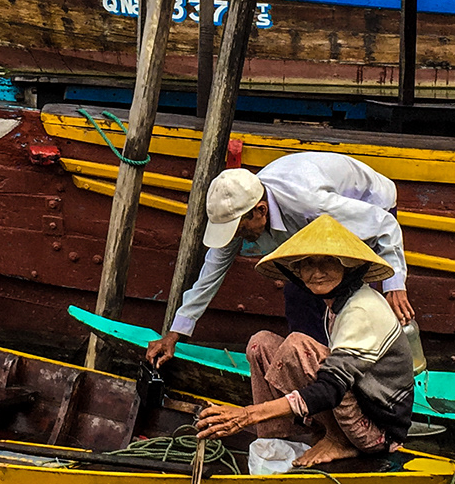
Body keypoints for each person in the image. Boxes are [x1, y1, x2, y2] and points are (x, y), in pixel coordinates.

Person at [144, 152, 410, 366]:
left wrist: (395, 284)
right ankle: (314, 371)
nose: (242, 239)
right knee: (298, 292)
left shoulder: (310, 204)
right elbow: (211, 272)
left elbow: (383, 224)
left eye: (242, 231)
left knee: (351, 295)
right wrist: (175, 333)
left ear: (260, 211)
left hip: (368, 205)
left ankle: (363, 369)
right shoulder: (245, 211)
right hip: (307, 222)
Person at [193, 214, 417, 466]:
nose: (317, 273)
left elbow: (330, 389)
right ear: (297, 272)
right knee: (261, 344)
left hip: (378, 433)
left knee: (298, 346)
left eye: (328, 263)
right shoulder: (335, 306)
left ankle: (339, 439)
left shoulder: (361, 309)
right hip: (354, 409)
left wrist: (247, 415)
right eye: (307, 264)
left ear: (348, 266)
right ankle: (274, 442)